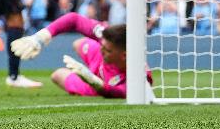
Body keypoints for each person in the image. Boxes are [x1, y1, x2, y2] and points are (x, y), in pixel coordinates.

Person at [11, 12, 152, 98]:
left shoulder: (140, 76)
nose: (103, 50)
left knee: (57, 75)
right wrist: (42, 36)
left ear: (124, 56)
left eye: (108, 50)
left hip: (98, 85)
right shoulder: (106, 35)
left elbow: (121, 92)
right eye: (102, 46)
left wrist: (94, 82)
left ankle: (88, 75)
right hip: (98, 62)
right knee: (77, 43)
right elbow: (74, 19)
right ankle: (93, 63)